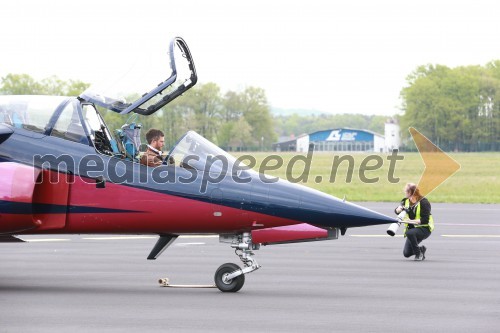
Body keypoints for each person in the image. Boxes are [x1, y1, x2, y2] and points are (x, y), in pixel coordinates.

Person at [395, 183, 435, 261]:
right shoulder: (405, 201)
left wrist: (410, 221)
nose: (405, 193)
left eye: (406, 191)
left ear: (410, 193)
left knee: (409, 233)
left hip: (424, 229)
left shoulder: (424, 202)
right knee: (406, 253)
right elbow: (397, 211)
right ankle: (421, 250)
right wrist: (398, 209)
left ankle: (418, 254)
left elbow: (425, 220)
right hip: (413, 230)